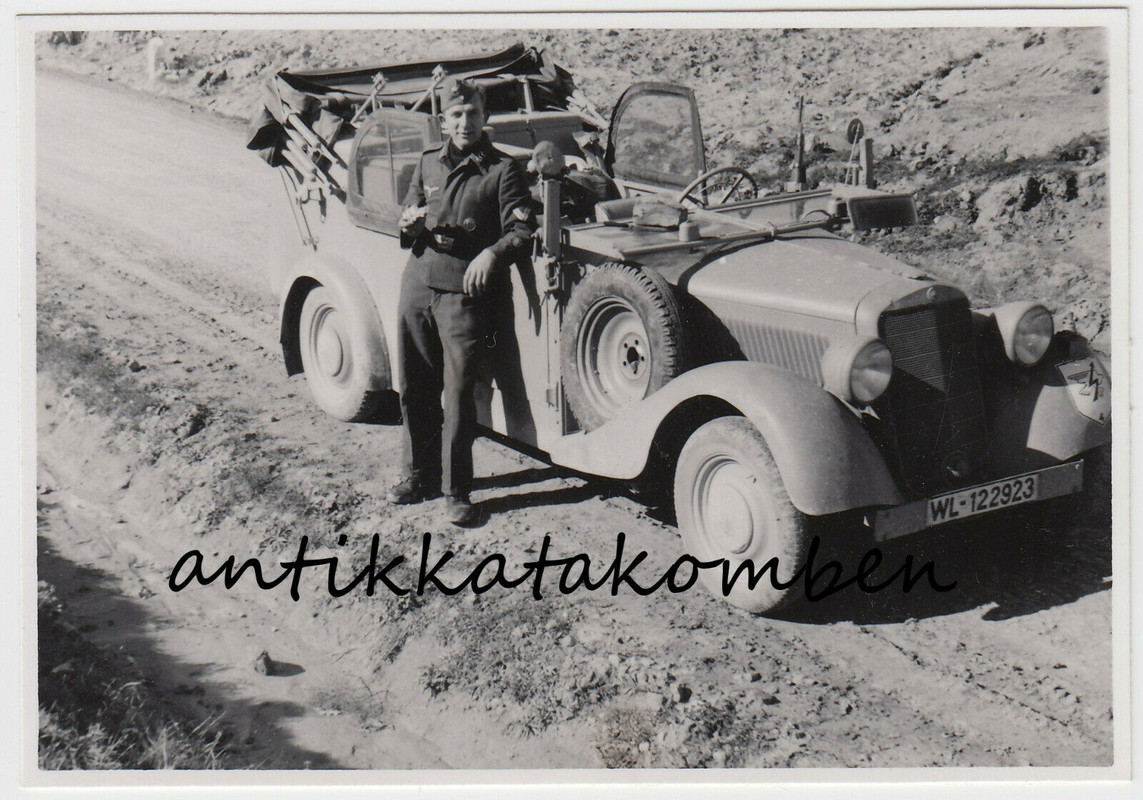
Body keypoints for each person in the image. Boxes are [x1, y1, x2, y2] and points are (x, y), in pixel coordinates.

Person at [388, 77, 536, 526]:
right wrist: (409, 224)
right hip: (418, 283)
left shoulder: (502, 169)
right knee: (415, 385)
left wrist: (492, 253)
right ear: (443, 120)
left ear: (485, 117)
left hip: (465, 294)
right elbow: (409, 216)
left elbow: (522, 230)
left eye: (472, 113)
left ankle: (457, 491)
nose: (465, 121)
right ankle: (418, 475)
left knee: (458, 394)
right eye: (456, 115)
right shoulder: (428, 161)